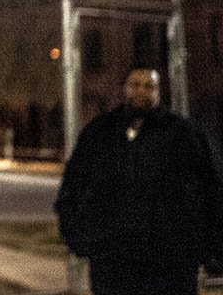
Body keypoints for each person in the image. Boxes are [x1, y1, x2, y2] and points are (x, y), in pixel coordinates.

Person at [55, 68, 223, 295]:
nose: (141, 91)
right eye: (135, 85)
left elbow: (210, 188)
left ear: (158, 92)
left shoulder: (182, 133)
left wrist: (207, 246)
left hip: (171, 261)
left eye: (149, 86)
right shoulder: (101, 133)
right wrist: (78, 237)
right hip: (113, 261)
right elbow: (73, 186)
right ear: (125, 88)